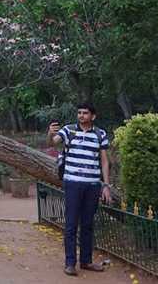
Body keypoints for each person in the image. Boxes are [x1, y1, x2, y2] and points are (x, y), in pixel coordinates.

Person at [47, 103, 112, 277]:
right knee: (70, 224)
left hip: (92, 185)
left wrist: (106, 185)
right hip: (73, 184)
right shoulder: (69, 130)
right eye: (79, 113)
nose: (81, 115)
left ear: (93, 116)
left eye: (85, 113)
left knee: (88, 224)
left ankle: (86, 261)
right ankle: (70, 263)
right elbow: (54, 142)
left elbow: (105, 161)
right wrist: (51, 133)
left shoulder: (100, 134)